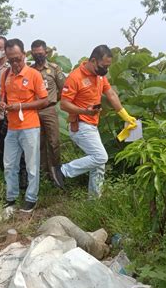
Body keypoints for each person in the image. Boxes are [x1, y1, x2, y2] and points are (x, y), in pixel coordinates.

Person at [50, 45, 136, 199]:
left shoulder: (100, 76)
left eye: (108, 66)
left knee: (98, 165)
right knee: (101, 157)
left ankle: (94, 200)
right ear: (94, 61)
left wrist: (126, 116)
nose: (106, 70)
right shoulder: (75, 77)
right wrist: (85, 111)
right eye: (104, 66)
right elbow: (63, 104)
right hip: (80, 124)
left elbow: (110, 94)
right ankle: (62, 171)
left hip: (92, 125)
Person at [0, 38, 49, 212]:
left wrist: (21, 106)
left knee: (31, 166)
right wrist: (2, 104)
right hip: (12, 128)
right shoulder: (6, 75)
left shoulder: (34, 74)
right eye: (10, 59)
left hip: (30, 126)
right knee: (9, 165)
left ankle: (31, 198)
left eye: (17, 58)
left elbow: (44, 100)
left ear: (24, 55)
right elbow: (2, 96)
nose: (15, 63)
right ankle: (11, 198)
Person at [0, 36, 28, 188]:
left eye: (0, 47)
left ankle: (22, 176)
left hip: (11, 116)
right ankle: (7, 174)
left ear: (6, 50)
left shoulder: (12, 67)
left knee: (17, 147)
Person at [30, 39, 65, 179]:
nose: (38, 55)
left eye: (40, 53)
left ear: (45, 52)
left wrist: (53, 101)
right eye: (35, 53)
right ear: (31, 54)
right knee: (39, 143)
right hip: (33, 111)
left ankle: (56, 172)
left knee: (54, 141)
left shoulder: (54, 68)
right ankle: (44, 174)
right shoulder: (30, 70)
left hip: (49, 109)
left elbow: (63, 89)